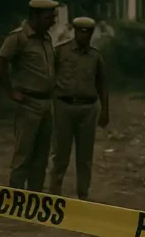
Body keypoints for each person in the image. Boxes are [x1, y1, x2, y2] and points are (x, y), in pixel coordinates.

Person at [0, 0, 59, 191]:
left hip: (47, 104)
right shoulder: (18, 38)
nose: (53, 21)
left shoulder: (46, 38)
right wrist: (11, 92)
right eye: (48, 17)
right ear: (35, 17)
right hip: (29, 103)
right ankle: (16, 199)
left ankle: (34, 198)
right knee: (24, 155)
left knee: (41, 157)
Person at [47, 17, 110, 200]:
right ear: (75, 31)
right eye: (81, 31)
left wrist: (105, 110)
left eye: (88, 31)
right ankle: (54, 193)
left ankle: (83, 194)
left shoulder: (96, 56)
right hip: (64, 106)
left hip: (88, 108)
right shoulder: (60, 51)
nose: (85, 35)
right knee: (60, 153)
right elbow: (50, 77)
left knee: (85, 156)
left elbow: (102, 84)